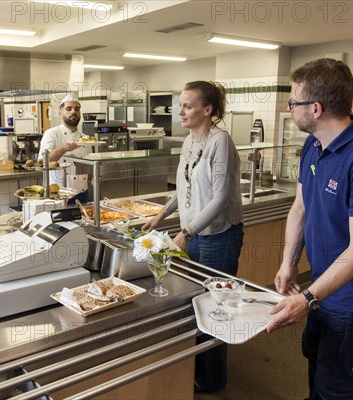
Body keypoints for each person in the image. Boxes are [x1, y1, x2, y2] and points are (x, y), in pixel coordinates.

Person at [267, 59, 353, 400]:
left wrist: (308, 296)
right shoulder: (312, 145)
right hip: (323, 281)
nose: (289, 109)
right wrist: (288, 261)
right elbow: (301, 206)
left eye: (293, 103)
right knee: (315, 356)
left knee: (333, 379)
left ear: (316, 107)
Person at [142, 81, 244, 392]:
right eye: (180, 105)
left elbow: (221, 198)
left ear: (207, 110)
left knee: (216, 306)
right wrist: (160, 215)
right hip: (194, 235)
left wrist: (187, 231)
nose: (180, 111)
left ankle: (213, 379)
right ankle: (197, 366)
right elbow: (184, 187)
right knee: (195, 303)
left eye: (187, 105)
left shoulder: (220, 142)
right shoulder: (190, 140)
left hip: (217, 237)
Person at [38, 93, 91, 203]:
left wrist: (93, 177)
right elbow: (43, 161)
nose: (73, 112)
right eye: (69, 109)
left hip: (82, 193)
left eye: (77, 109)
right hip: (58, 193)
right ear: (60, 113)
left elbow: (87, 165)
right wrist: (63, 148)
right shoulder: (51, 133)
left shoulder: (85, 138)